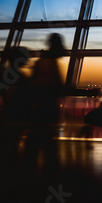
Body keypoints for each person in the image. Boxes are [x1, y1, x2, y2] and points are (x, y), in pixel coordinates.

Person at [25, 33, 65, 174]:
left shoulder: (43, 63)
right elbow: (47, 89)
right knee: (45, 145)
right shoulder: (48, 64)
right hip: (44, 113)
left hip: (41, 112)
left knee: (36, 145)